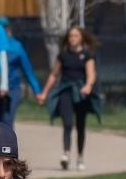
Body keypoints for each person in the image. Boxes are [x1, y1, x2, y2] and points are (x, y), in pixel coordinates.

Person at [37, 28, 99, 171]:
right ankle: (66, 154)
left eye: (76, 35)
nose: (72, 38)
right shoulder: (63, 55)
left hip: (81, 93)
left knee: (80, 126)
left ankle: (80, 157)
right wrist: (44, 92)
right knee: (68, 123)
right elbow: (54, 75)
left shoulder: (87, 55)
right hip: (66, 91)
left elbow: (91, 74)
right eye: (70, 35)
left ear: (81, 38)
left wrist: (88, 85)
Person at [0, 26, 40, 126]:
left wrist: (37, 91)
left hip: (12, 89)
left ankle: (8, 136)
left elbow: (28, 70)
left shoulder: (16, 47)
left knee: (7, 119)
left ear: (8, 31)